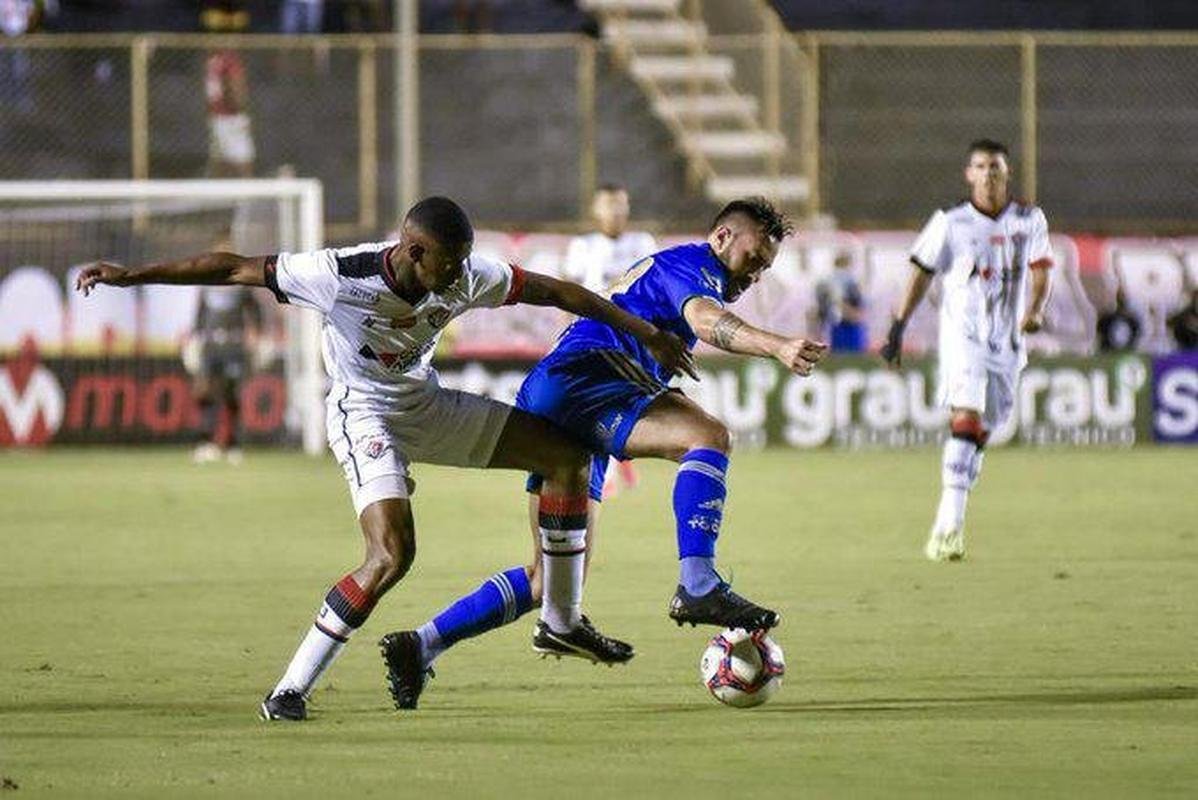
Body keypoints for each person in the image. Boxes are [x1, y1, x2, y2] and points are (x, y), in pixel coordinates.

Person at [75, 196, 694, 722]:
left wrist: (645, 333)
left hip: (424, 405)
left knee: (568, 459)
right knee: (393, 554)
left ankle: (560, 619)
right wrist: (132, 276)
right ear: (413, 251)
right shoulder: (337, 274)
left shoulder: (467, 273)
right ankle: (290, 689)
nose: (456, 279)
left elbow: (558, 291)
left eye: (461, 265)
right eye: (446, 265)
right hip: (362, 413)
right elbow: (234, 269)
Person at [380, 197, 828, 710]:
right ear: (724, 237)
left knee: (546, 578)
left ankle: (422, 644)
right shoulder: (692, 266)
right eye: (754, 257)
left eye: (766, 267)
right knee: (707, 436)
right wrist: (777, 346)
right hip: (586, 383)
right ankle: (698, 582)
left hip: (565, 394)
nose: (756, 273)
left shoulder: (687, 269)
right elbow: (706, 321)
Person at [881, 139, 1053, 562]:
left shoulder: (1029, 220)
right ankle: (948, 523)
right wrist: (898, 326)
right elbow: (920, 273)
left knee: (983, 429)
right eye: (981, 166)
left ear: (1006, 172)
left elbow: (1041, 271)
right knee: (966, 414)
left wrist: (1034, 311)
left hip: (1008, 343)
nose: (989, 173)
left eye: (995, 166)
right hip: (963, 338)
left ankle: (952, 514)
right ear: (969, 174)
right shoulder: (951, 221)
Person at [563, 183, 658, 495]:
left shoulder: (642, 242)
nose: (615, 211)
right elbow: (567, 291)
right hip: (592, 334)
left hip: (633, 339)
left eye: (620, 204)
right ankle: (613, 466)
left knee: (619, 401)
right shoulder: (583, 246)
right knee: (594, 402)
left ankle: (613, 466)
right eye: (608, 204)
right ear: (596, 209)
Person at [186, 283, 262, 464]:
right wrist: (194, 339)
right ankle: (206, 442)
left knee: (231, 394)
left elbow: (255, 312)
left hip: (234, 345)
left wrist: (256, 333)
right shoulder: (206, 288)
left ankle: (232, 444)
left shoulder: (241, 287)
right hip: (210, 346)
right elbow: (199, 316)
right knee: (206, 393)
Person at [202, 4, 255, 178]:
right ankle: (246, 203)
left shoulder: (213, 59)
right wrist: (241, 112)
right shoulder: (229, 60)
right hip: (231, 118)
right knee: (244, 163)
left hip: (216, 116)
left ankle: (216, 201)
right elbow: (234, 90)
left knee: (221, 164)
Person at [815, 250, 867, 352]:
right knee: (847, 354)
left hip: (843, 322)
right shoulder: (840, 280)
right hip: (844, 323)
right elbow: (838, 301)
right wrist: (852, 314)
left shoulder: (844, 280)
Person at [1096, 284, 1142, 353]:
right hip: (1116, 352)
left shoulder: (1107, 318)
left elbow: (1099, 333)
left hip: (1114, 352)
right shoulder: (1107, 318)